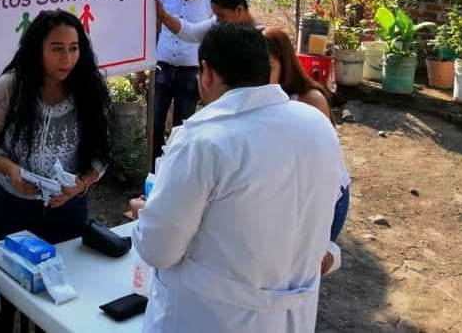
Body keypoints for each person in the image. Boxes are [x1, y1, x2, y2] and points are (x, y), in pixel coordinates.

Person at [132, 23, 347, 333]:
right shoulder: (316, 124)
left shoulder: (204, 140)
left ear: (206, 72)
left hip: (210, 318)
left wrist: (145, 215)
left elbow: (158, 250)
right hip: (291, 317)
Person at [0, 9, 112, 330]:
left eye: (74, 48)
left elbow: (100, 157)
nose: (67, 58)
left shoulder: (89, 89)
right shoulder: (9, 88)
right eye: (57, 48)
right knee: (5, 295)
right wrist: (11, 170)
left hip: (68, 212)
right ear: (37, 48)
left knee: (60, 301)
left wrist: (80, 184)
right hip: (13, 211)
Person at [264, 27, 351, 274]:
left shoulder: (310, 98)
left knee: (307, 269)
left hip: (324, 195)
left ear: (285, 63)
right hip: (292, 195)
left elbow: (321, 163)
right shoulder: (262, 98)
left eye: (269, 67)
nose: (261, 75)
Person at [150, 0, 214, 159]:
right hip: (163, 67)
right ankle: (153, 172)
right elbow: (155, 29)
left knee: (182, 128)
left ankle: (175, 170)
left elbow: (206, 37)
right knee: (154, 123)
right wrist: (147, 64)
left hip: (191, 72)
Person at [156, 0, 261, 43]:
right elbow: (192, 32)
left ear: (238, 10)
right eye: (216, 15)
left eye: (221, 15)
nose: (218, 21)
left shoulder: (261, 36)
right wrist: (163, 16)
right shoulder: (220, 23)